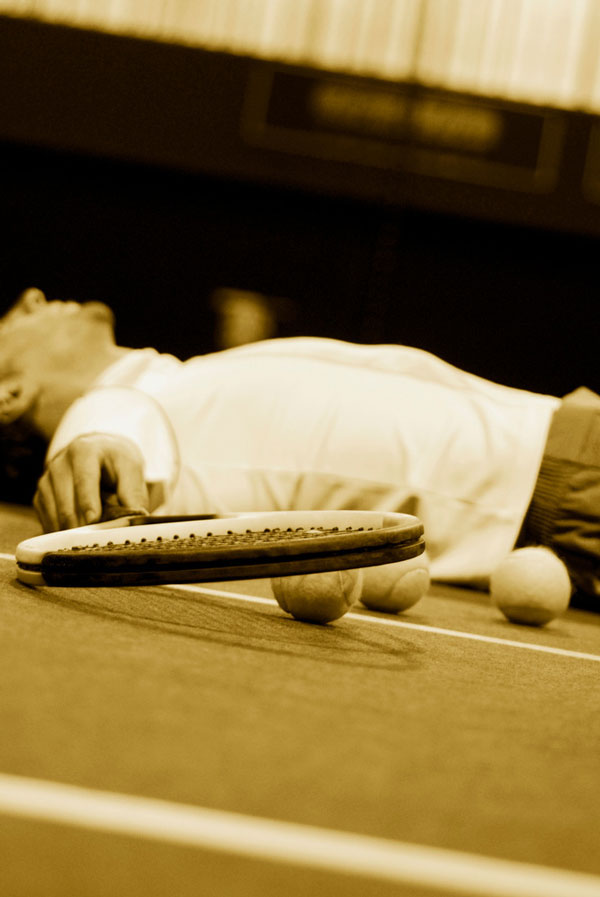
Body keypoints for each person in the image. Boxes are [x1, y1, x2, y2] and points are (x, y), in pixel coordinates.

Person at [1, 287, 598, 599]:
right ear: (10, 395)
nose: (30, 296)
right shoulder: (125, 411)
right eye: (10, 318)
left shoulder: (175, 380)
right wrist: (91, 439)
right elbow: (112, 431)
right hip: (563, 488)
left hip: (568, 431)